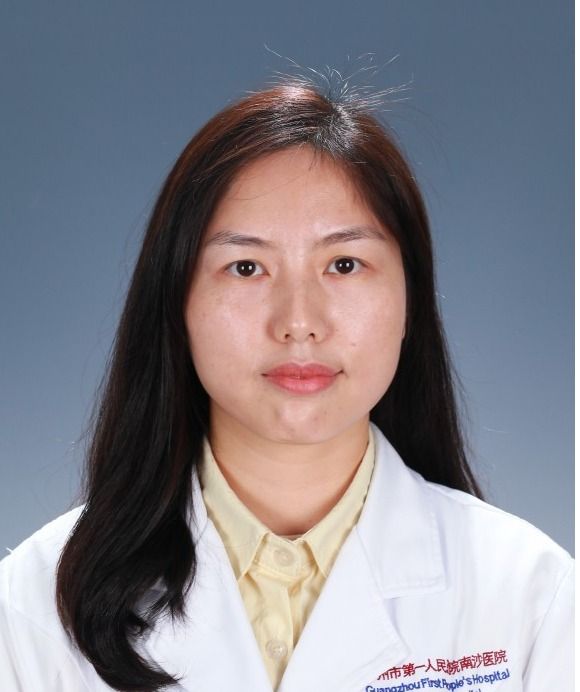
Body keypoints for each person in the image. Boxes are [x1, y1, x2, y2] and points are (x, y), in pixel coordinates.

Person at [0, 76, 573, 692]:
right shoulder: (31, 611)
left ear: (411, 299)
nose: (299, 322)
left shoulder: (532, 599)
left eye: (344, 264)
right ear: (175, 303)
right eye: (246, 267)